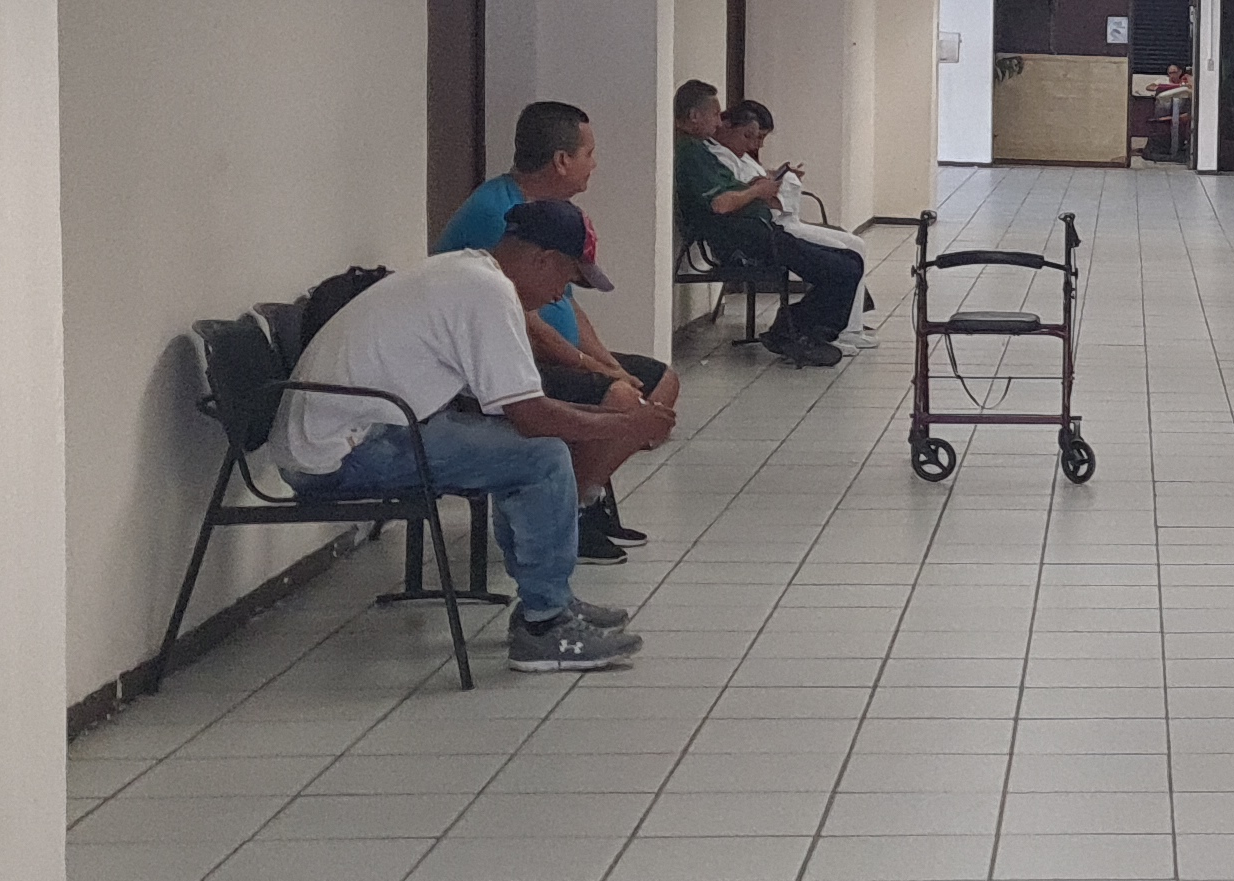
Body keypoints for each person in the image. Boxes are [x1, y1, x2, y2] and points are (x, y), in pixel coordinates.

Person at [274, 201, 669, 672]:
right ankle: (545, 625)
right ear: (542, 259)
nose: (559, 296)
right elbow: (532, 418)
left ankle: (549, 601)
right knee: (542, 457)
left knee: (522, 448)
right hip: (342, 452)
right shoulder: (487, 292)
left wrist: (621, 419)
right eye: (565, 279)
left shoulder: (466, 272)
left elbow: (518, 408)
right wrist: (627, 425)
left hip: (352, 433)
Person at [437, 99, 677, 563]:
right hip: (506, 365)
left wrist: (609, 363)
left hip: (553, 356)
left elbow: (568, 303)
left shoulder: (547, 213)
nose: (595, 164)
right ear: (562, 160)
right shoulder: (498, 213)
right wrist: (594, 369)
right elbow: (523, 321)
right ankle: (564, 519)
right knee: (620, 399)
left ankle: (584, 498)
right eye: (590, 153)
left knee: (660, 381)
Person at [673, 80, 864, 365]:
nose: (718, 122)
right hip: (746, 240)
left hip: (760, 232)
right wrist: (757, 192)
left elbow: (729, 191)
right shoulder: (691, 154)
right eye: (714, 114)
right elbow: (720, 204)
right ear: (694, 116)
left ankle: (794, 327)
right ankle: (795, 331)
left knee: (850, 260)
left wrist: (756, 187)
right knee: (843, 269)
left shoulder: (700, 149)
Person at [716, 99, 881, 350]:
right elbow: (753, 195)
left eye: (759, 138)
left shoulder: (742, 157)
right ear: (727, 126)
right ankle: (828, 329)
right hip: (773, 228)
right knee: (846, 255)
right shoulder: (721, 158)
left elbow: (760, 183)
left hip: (780, 223)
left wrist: (778, 176)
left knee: (856, 245)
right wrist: (765, 188)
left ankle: (851, 326)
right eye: (750, 136)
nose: (755, 144)